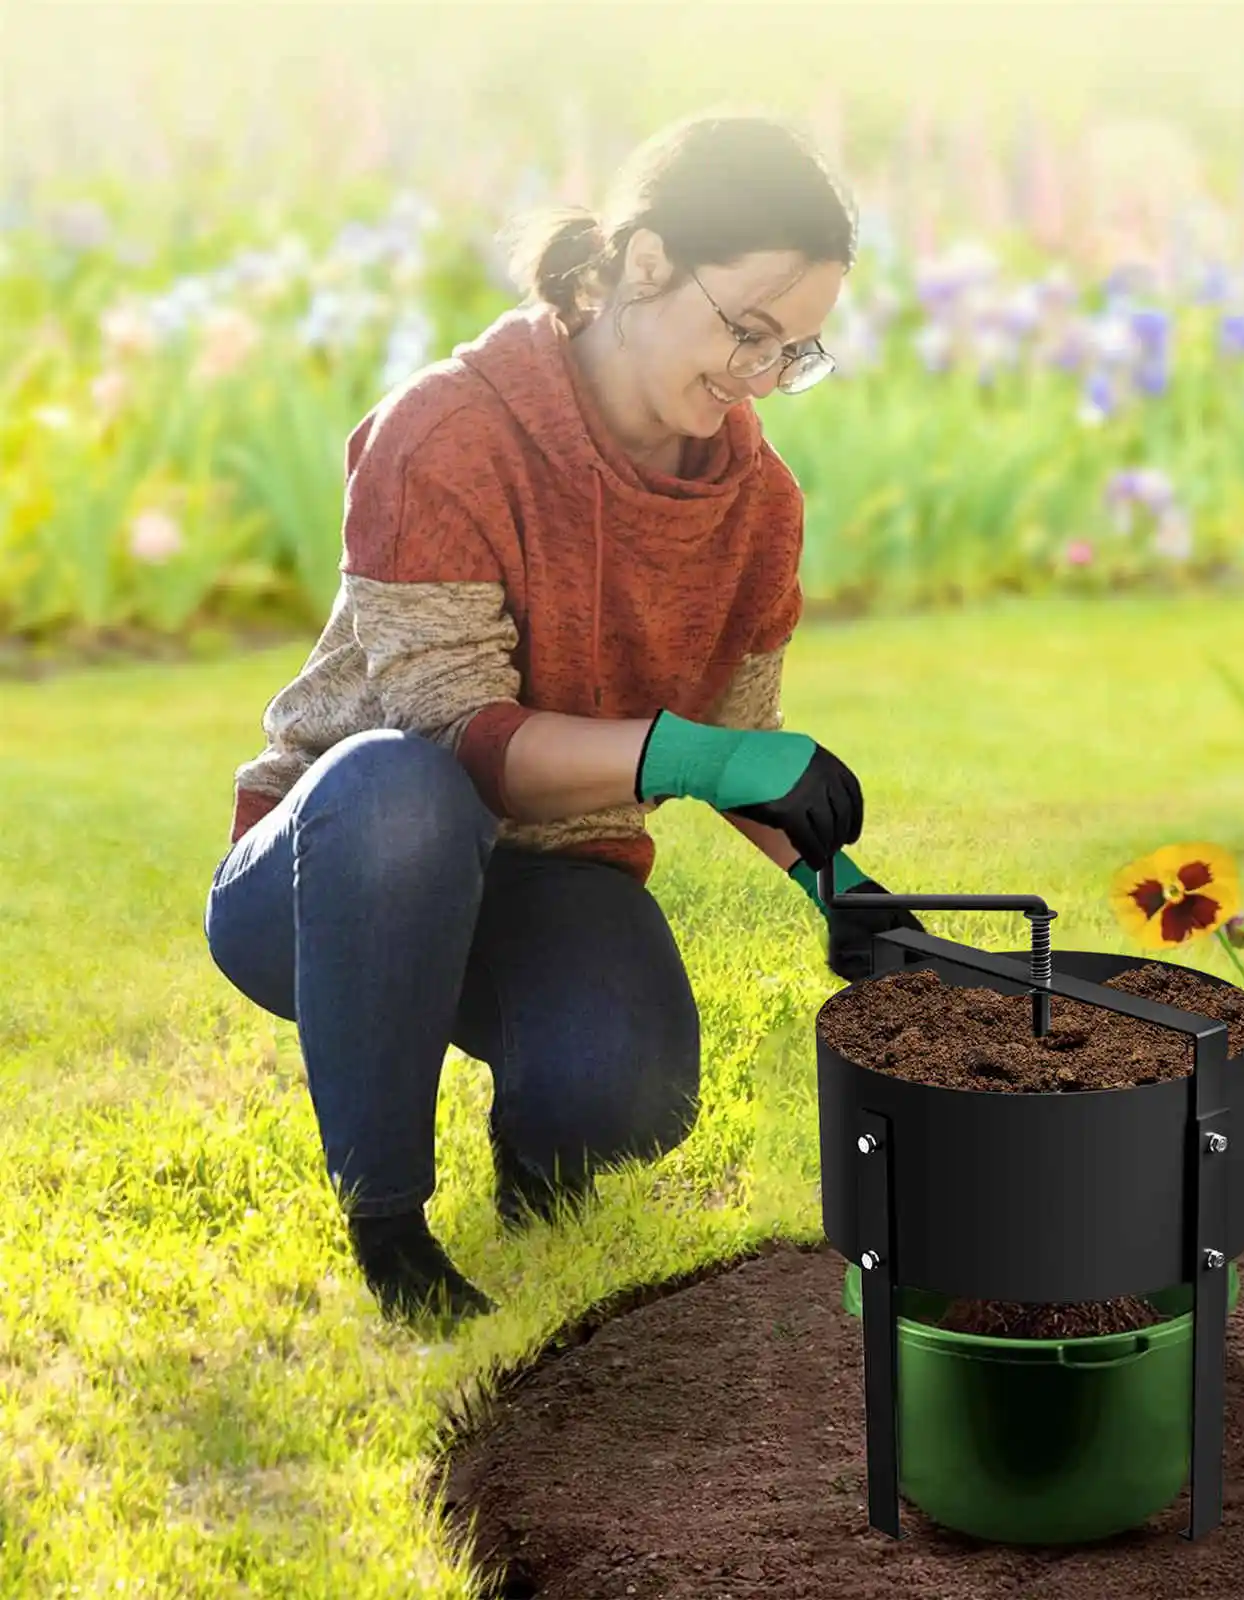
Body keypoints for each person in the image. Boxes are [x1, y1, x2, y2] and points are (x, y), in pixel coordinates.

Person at [203, 111, 923, 1327]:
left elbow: (741, 742)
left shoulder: (756, 505)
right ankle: (388, 1223)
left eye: (793, 352)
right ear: (640, 265)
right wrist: (687, 753)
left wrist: (849, 898)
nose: (758, 376)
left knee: (628, 1090)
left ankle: (538, 1159)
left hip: (545, 879)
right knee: (400, 790)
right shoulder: (447, 434)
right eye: (747, 330)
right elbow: (459, 738)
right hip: (339, 874)